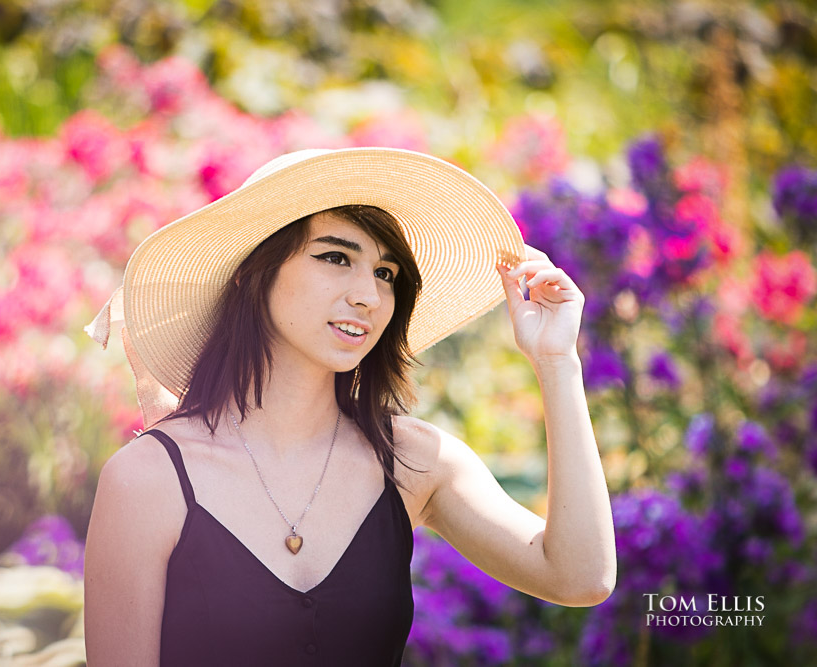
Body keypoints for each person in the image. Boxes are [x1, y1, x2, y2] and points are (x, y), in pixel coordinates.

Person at [82, 147, 616, 666]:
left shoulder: (413, 462)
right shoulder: (149, 479)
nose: (369, 295)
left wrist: (557, 361)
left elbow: (580, 577)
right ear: (252, 272)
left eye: (385, 273)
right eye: (336, 257)